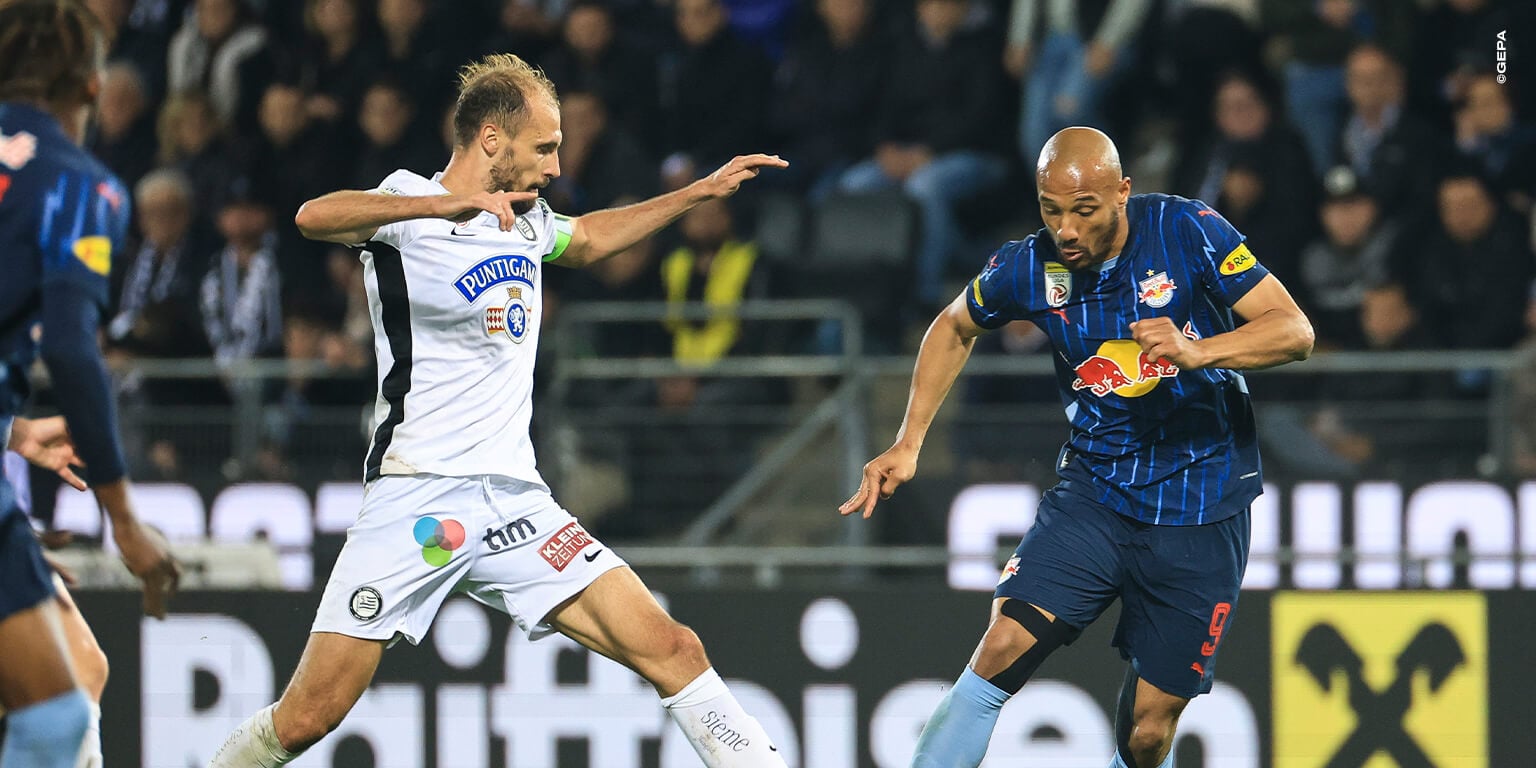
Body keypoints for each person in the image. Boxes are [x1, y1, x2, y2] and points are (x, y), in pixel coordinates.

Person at [206, 53, 790, 768]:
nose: (553, 164)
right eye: (544, 146)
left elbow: (593, 238)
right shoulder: (403, 203)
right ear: (491, 139)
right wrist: (437, 206)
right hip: (418, 496)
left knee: (673, 647)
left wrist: (695, 195)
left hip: (516, 503)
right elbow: (311, 217)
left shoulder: (527, 222)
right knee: (308, 717)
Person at [840, 127, 1314, 768]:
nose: (1065, 229)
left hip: (1203, 505)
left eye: (1083, 211)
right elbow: (954, 325)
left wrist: (1199, 350)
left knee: (1150, 730)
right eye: (1051, 209)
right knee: (1003, 644)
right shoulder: (1028, 266)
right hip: (1097, 492)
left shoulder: (1187, 228)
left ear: (1122, 192)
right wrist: (909, 440)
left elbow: (1294, 331)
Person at [0, 1, 181, 766]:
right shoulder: (80, 187)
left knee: (81, 666)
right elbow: (73, 353)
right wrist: (125, 521)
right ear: (91, 85)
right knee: (54, 717)